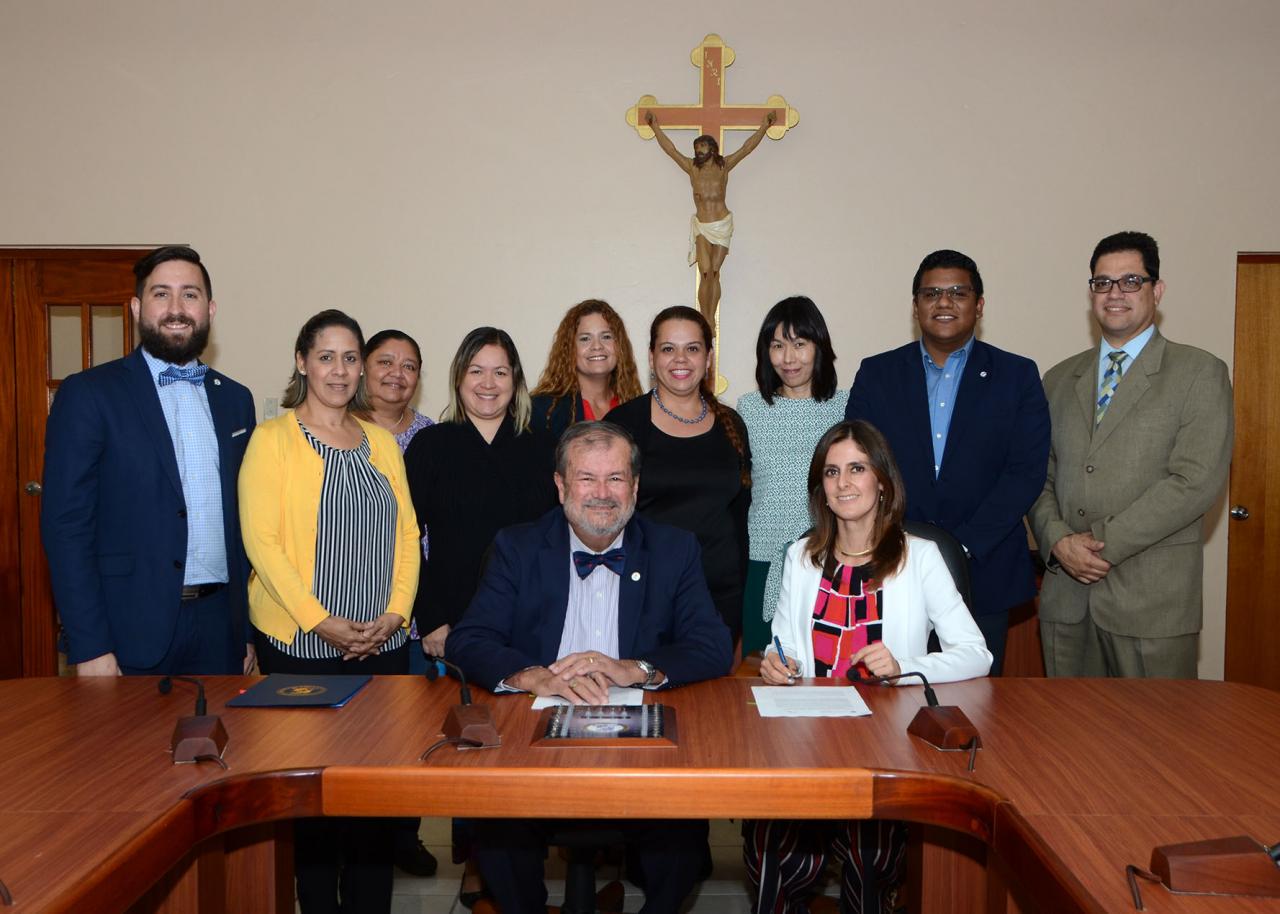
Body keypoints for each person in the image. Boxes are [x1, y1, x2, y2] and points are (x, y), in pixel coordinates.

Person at [447, 420, 733, 914]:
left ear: (635, 487)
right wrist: (533, 675)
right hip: (534, 736)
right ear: (560, 486)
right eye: (586, 478)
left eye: (615, 478)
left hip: (640, 744)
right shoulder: (518, 547)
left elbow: (712, 645)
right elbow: (469, 639)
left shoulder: (674, 548)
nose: (602, 493)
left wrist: (634, 668)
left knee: (683, 832)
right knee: (496, 823)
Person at [748, 420, 991, 914]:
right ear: (820, 487)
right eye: (831, 472)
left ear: (882, 480)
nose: (843, 483)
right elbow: (786, 646)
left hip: (886, 745)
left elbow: (976, 653)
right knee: (770, 849)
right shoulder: (800, 556)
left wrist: (904, 665)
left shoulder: (921, 557)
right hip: (807, 742)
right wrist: (778, 663)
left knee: (870, 858)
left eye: (857, 469)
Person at [239, 309, 419, 914]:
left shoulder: (381, 442)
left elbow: (407, 534)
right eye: (325, 357)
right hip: (301, 646)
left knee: (374, 795)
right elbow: (263, 544)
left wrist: (395, 615)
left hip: (381, 646)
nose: (339, 371)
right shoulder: (272, 440)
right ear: (302, 362)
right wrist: (322, 622)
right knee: (311, 797)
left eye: (349, 358)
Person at [41, 245, 256, 676]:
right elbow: (66, 527)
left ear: (210, 309)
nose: (177, 308)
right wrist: (89, 645)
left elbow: (242, 522)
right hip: (126, 629)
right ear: (138, 307)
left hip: (220, 628)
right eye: (161, 294)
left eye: (190, 294)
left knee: (220, 726)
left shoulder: (236, 399)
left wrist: (244, 631)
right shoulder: (89, 394)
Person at [1028, 231, 1233, 679]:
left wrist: (1100, 545)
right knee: (1067, 725)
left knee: (1154, 727)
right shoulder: (1058, 379)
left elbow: (1194, 482)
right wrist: (1058, 541)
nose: (1114, 293)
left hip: (1152, 603)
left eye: (1131, 281)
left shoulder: (1199, 373)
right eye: (1102, 283)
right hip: (1067, 601)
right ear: (1091, 294)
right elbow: (1037, 477)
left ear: (1157, 291)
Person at [403, 326, 557, 907]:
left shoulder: (542, 446)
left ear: (516, 380)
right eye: (476, 371)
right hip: (456, 625)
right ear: (459, 378)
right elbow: (406, 539)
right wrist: (432, 619)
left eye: (500, 372)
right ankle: (476, 863)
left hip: (530, 625)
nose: (488, 384)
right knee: (470, 747)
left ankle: (524, 869)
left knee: (525, 752)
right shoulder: (432, 446)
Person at [845, 250, 1049, 675]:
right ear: (915, 305)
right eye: (931, 293)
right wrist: (902, 543)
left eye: (958, 292)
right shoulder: (877, 374)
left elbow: (1025, 472)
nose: (944, 302)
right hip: (893, 567)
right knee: (887, 693)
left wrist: (962, 546)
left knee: (978, 698)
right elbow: (860, 463)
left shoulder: (1017, 375)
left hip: (984, 570)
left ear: (979, 304)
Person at [607, 306, 751, 644]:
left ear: (709, 358)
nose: (680, 359)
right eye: (668, 348)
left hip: (720, 595)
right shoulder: (623, 424)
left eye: (693, 348)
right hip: (645, 592)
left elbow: (740, 515)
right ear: (651, 356)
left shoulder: (731, 424)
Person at [362, 328, 439, 879]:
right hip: (348, 605)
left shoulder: (432, 436)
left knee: (410, 732)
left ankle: (401, 835)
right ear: (363, 368)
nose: (397, 374)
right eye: (385, 362)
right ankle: (349, 839)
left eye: (409, 365)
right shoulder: (339, 428)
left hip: (414, 612)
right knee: (355, 730)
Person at [736, 296, 846, 656]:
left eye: (800, 344)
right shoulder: (749, 408)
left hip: (828, 554)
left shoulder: (845, 407)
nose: (788, 358)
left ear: (819, 347)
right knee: (761, 664)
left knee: (825, 659)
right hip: (763, 555)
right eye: (777, 346)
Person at [646, 110, 775, 325]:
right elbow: (671, 150)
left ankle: (710, 317)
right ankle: (704, 316)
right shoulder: (692, 169)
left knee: (714, 272)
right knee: (705, 272)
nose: (698, 151)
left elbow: (747, 148)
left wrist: (764, 126)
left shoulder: (724, 167)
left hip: (722, 224)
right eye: (696, 148)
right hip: (702, 225)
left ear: (712, 149)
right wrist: (655, 126)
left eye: (702, 147)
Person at [529, 298, 642, 438]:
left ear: (620, 345)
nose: (597, 346)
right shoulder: (542, 410)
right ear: (570, 349)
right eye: (585, 339)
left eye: (606, 337)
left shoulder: (637, 408)